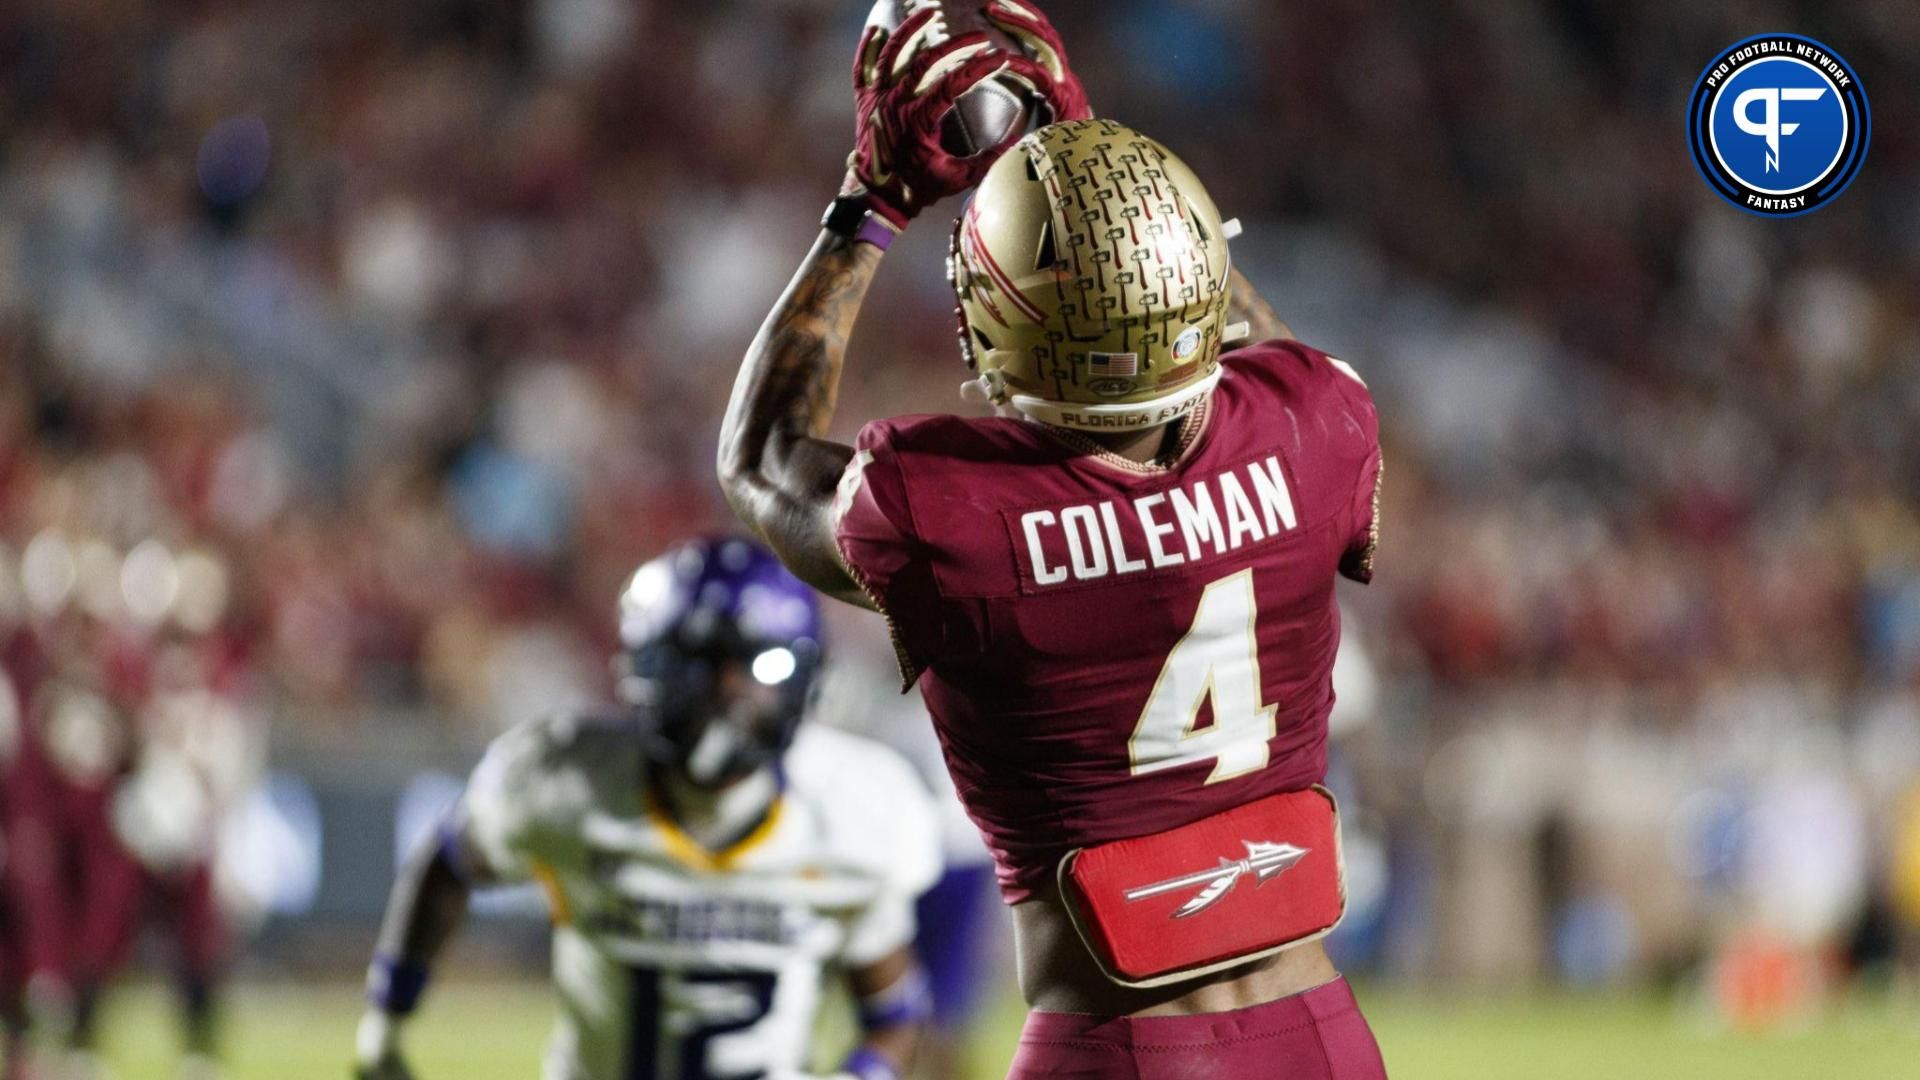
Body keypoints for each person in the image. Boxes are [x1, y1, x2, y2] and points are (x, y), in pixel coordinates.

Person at [717, 5, 1387, 1076]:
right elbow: (1273, 356)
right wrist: (1102, 168)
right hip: (1325, 1034)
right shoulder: (1319, 430)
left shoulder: (953, 514)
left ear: (998, 322)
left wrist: (872, 202)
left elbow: (758, 460)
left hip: (1120, 1046)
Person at [353, 538, 941, 1080]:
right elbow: (450, 861)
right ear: (647, 668)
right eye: (698, 666)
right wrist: (387, 1015)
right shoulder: (567, 779)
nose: (728, 694)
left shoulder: (850, 808)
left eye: (762, 666)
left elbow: (894, 1013)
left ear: (806, 678)